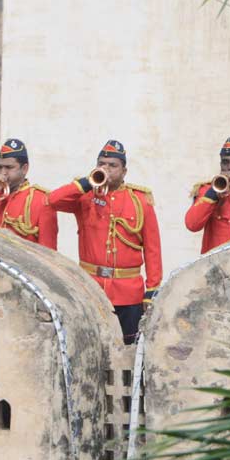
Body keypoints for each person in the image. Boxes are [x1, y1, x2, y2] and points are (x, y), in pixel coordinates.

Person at [49, 140, 162, 344]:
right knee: (92, 346)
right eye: (102, 163)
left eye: (112, 165)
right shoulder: (85, 197)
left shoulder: (141, 201)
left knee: (127, 351)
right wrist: (86, 183)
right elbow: (53, 200)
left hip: (128, 293)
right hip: (91, 287)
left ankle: (124, 379)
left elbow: (153, 248)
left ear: (124, 171)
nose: (106, 169)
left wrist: (152, 288)